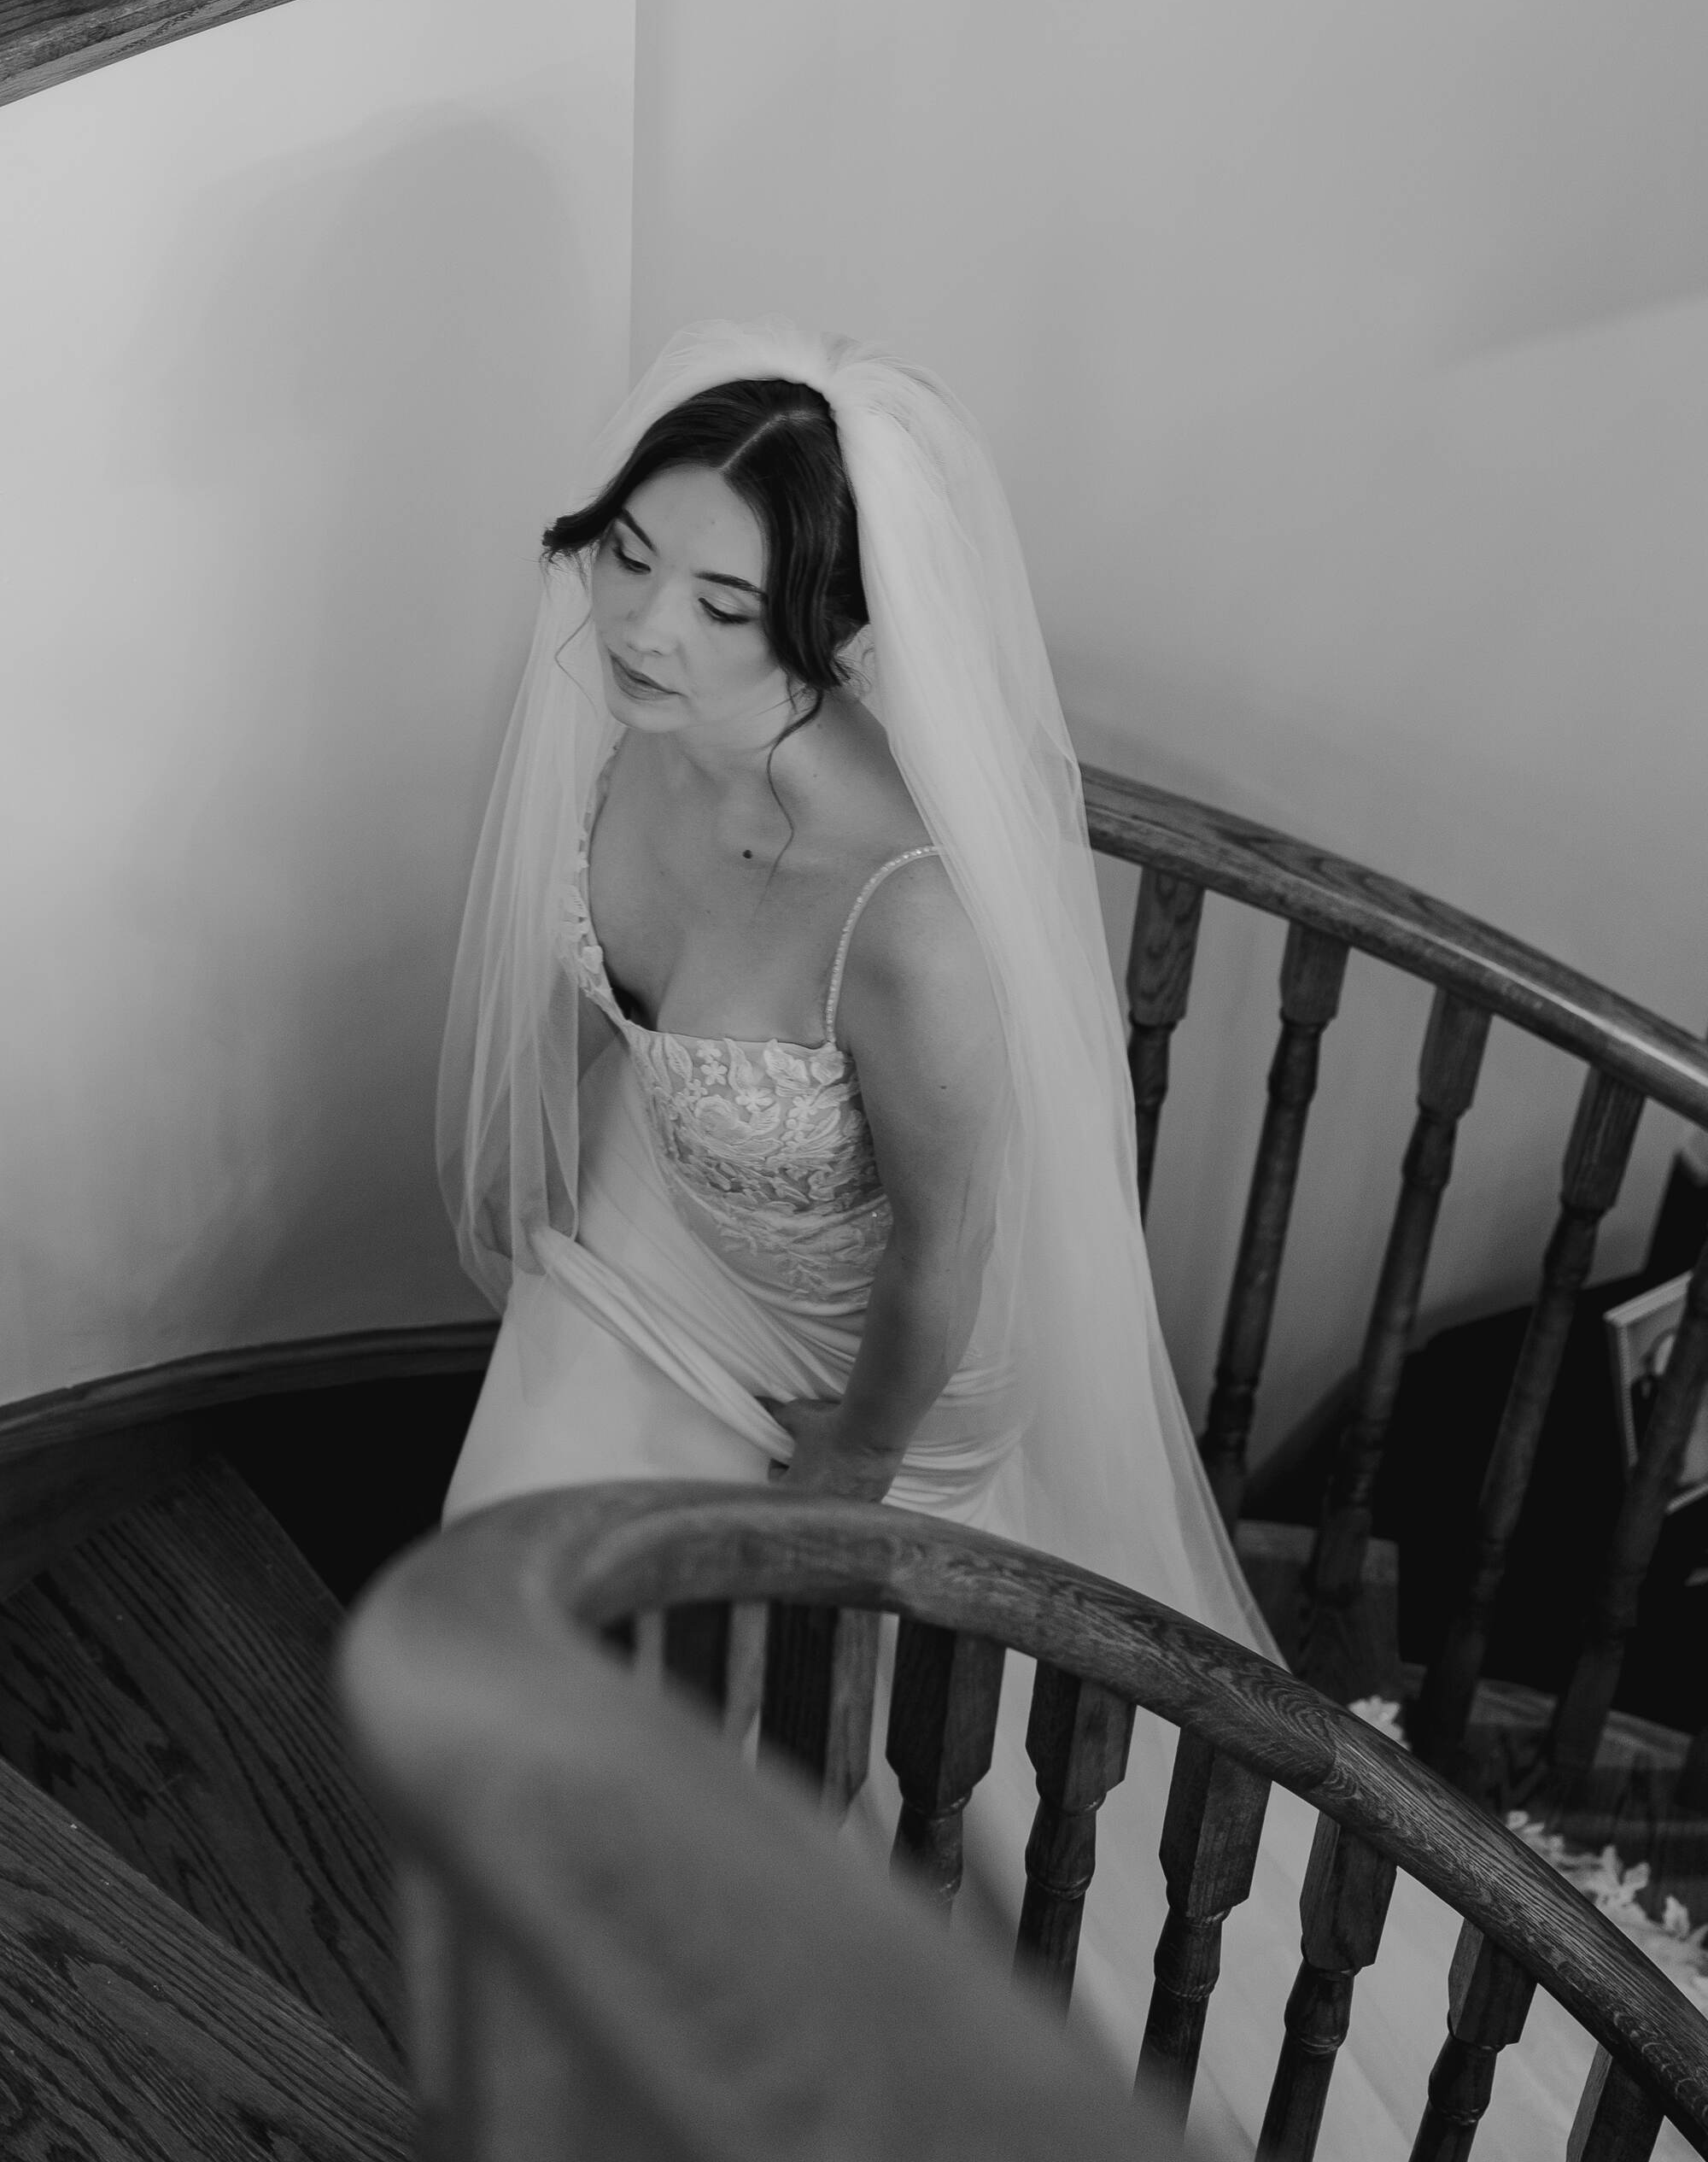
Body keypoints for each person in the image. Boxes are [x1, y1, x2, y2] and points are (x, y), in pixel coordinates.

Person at [437, 319, 1639, 2157]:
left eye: (721, 601)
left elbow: (937, 1256)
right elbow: (594, 999)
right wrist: (549, 1163)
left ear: (824, 627)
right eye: (628, 556)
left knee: (813, 1762)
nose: (644, 629)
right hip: (667, 1240)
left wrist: (846, 1471)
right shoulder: (624, 735)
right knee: (498, 1609)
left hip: (873, 1355)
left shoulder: (902, 915)